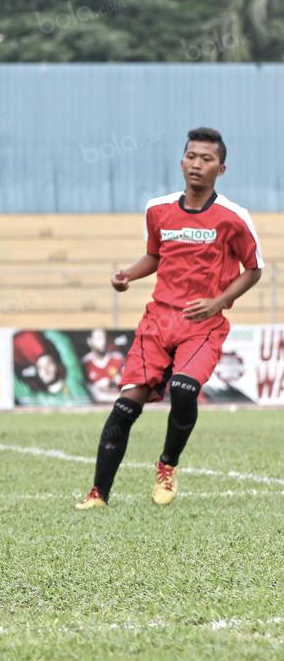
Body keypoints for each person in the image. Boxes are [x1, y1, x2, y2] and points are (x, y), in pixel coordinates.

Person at [76, 128, 263, 510]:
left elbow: (254, 269)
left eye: (206, 159)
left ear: (221, 169)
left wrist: (219, 302)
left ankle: (167, 465)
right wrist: (127, 273)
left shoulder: (233, 218)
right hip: (157, 322)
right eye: (191, 156)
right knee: (127, 404)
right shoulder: (158, 209)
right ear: (182, 161)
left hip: (202, 323)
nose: (197, 164)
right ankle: (98, 494)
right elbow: (155, 255)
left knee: (183, 388)